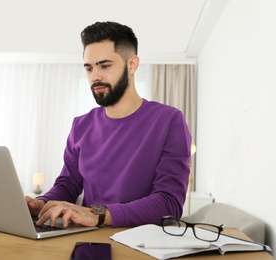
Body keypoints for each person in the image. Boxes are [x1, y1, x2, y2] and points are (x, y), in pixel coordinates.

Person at [26, 21, 192, 228]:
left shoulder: (169, 121)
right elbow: (68, 184)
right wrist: (41, 203)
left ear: (132, 64)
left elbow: (169, 203)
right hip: (87, 240)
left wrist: (100, 215)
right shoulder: (81, 125)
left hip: (141, 243)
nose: (95, 76)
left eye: (105, 66)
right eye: (89, 68)